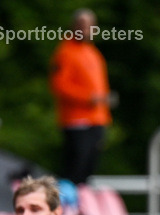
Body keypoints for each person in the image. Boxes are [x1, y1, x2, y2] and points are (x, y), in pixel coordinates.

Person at [49, 9, 111, 185]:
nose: (88, 30)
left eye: (91, 26)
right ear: (74, 27)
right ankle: (65, 203)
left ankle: (80, 206)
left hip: (97, 119)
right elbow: (59, 85)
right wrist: (88, 98)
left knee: (88, 169)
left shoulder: (92, 53)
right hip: (76, 120)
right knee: (74, 167)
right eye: (84, 26)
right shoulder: (65, 52)